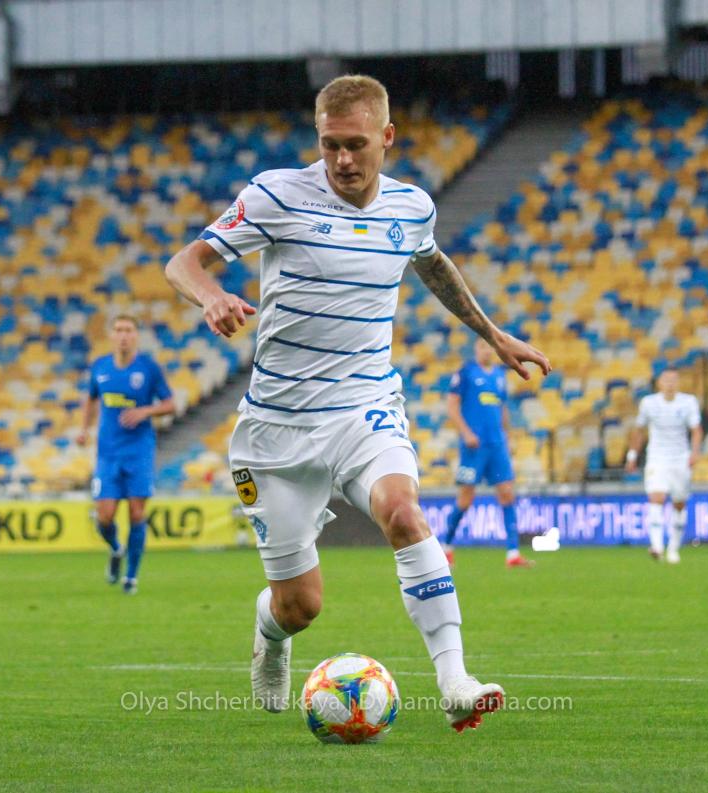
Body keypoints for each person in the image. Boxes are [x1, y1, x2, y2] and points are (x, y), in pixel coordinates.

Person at [164, 75, 551, 732]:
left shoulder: (411, 207)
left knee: (403, 511)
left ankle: (456, 681)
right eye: (330, 144)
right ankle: (270, 634)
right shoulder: (276, 195)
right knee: (300, 606)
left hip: (362, 407)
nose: (342, 159)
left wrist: (493, 334)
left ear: (387, 137)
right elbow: (184, 262)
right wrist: (211, 296)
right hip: (276, 431)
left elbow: (431, 263)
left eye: (356, 145)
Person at [77, 315, 175, 594]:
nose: (123, 335)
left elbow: (170, 404)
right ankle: (116, 548)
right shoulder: (100, 367)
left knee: (136, 512)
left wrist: (145, 411)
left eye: (128, 330)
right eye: (118, 330)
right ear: (111, 335)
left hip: (139, 451)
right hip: (107, 453)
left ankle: (131, 577)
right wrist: (83, 429)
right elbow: (91, 399)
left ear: (136, 335)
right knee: (104, 516)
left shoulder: (148, 368)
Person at [439, 338, 532, 568]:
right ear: (476, 349)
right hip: (474, 446)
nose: (487, 351)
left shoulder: (500, 375)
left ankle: (513, 554)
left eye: (490, 346)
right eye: (482, 346)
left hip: (497, 445)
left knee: (507, 494)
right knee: (465, 498)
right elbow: (452, 405)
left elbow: (502, 408)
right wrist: (466, 433)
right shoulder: (466, 372)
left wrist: (507, 436)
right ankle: (446, 547)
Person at [625, 369, 702, 564]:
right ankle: (657, 546)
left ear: (678, 382)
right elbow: (639, 430)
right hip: (657, 458)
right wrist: (632, 456)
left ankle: (673, 548)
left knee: (679, 504)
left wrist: (694, 453)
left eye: (673, 380)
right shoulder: (648, 403)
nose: (670, 383)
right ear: (659, 383)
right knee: (656, 498)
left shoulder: (688, 402)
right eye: (666, 380)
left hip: (680, 459)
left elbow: (696, 430)